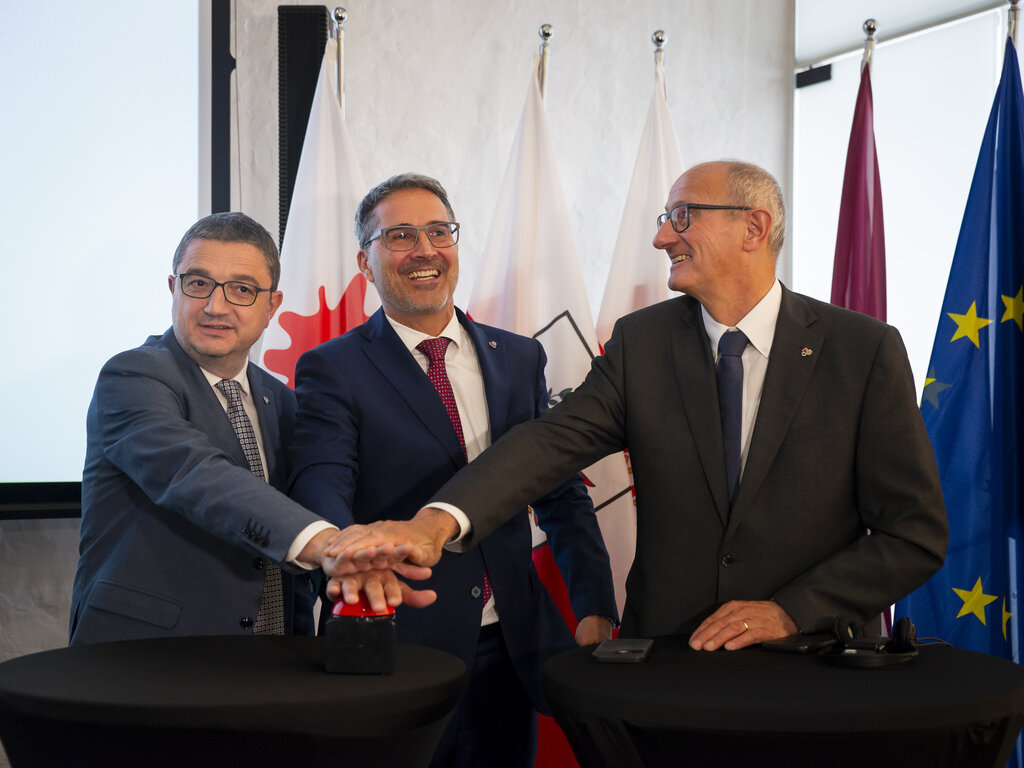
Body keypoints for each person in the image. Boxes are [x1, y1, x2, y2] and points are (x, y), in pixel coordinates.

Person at [327, 160, 949, 654]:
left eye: (681, 216)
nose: (660, 237)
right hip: (674, 667)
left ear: (753, 229)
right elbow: (548, 446)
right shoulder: (643, 343)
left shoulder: (862, 350)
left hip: (816, 667)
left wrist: (790, 611)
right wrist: (434, 524)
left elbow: (914, 533)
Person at [288, 173, 617, 768]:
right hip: (401, 643)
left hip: (513, 644)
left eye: (440, 232)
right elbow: (321, 480)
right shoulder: (331, 368)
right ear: (365, 261)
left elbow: (559, 489)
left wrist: (595, 603)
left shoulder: (519, 357)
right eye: (401, 236)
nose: (425, 250)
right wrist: (346, 557)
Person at [70, 212, 424, 645]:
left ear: (272, 306)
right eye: (198, 283)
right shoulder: (133, 377)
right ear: (173, 289)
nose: (215, 306)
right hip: (150, 659)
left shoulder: (287, 402)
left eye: (241, 290)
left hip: (274, 655)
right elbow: (193, 474)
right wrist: (326, 543)